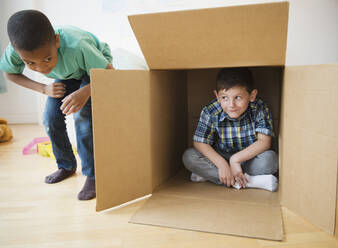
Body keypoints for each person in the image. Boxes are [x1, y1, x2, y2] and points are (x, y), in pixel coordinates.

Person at [0, 10, 114, 200]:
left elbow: (109, 72)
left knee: (82, 118)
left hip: (95, 71)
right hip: (66, 76)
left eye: (47, 59)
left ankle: (93, 175)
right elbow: (9, 74)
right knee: (50, 119)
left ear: (57, 41)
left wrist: (85, 91)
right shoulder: (15, 51)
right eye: (31, 63)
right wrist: (44, 89)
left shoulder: (77, 45)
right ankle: (66, 165)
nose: (42, 68)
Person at [182, 67, 278, 192]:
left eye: (238, 97)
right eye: (224, 97)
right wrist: (222, 164)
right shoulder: (211, 111)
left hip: (248, 158)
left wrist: (235, 160)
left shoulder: (259, 108)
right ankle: (250, 182)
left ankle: (211, 176)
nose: (231, 104)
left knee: (271, 160)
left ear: (252, 95)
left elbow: (264, 142)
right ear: (217, 96)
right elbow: (200, 142)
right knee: (189, 157)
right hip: (220, 157)